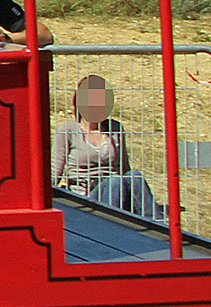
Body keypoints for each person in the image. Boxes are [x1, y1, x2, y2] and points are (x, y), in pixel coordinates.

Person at [53, 74, 163, 220]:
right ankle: (111, 227)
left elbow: (125, 168)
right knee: (115, 182)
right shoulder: (68, 130)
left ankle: (159, 226)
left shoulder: (115, 128)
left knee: (134, 176)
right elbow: (55, 172)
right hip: (86, 194)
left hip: (116, 187)